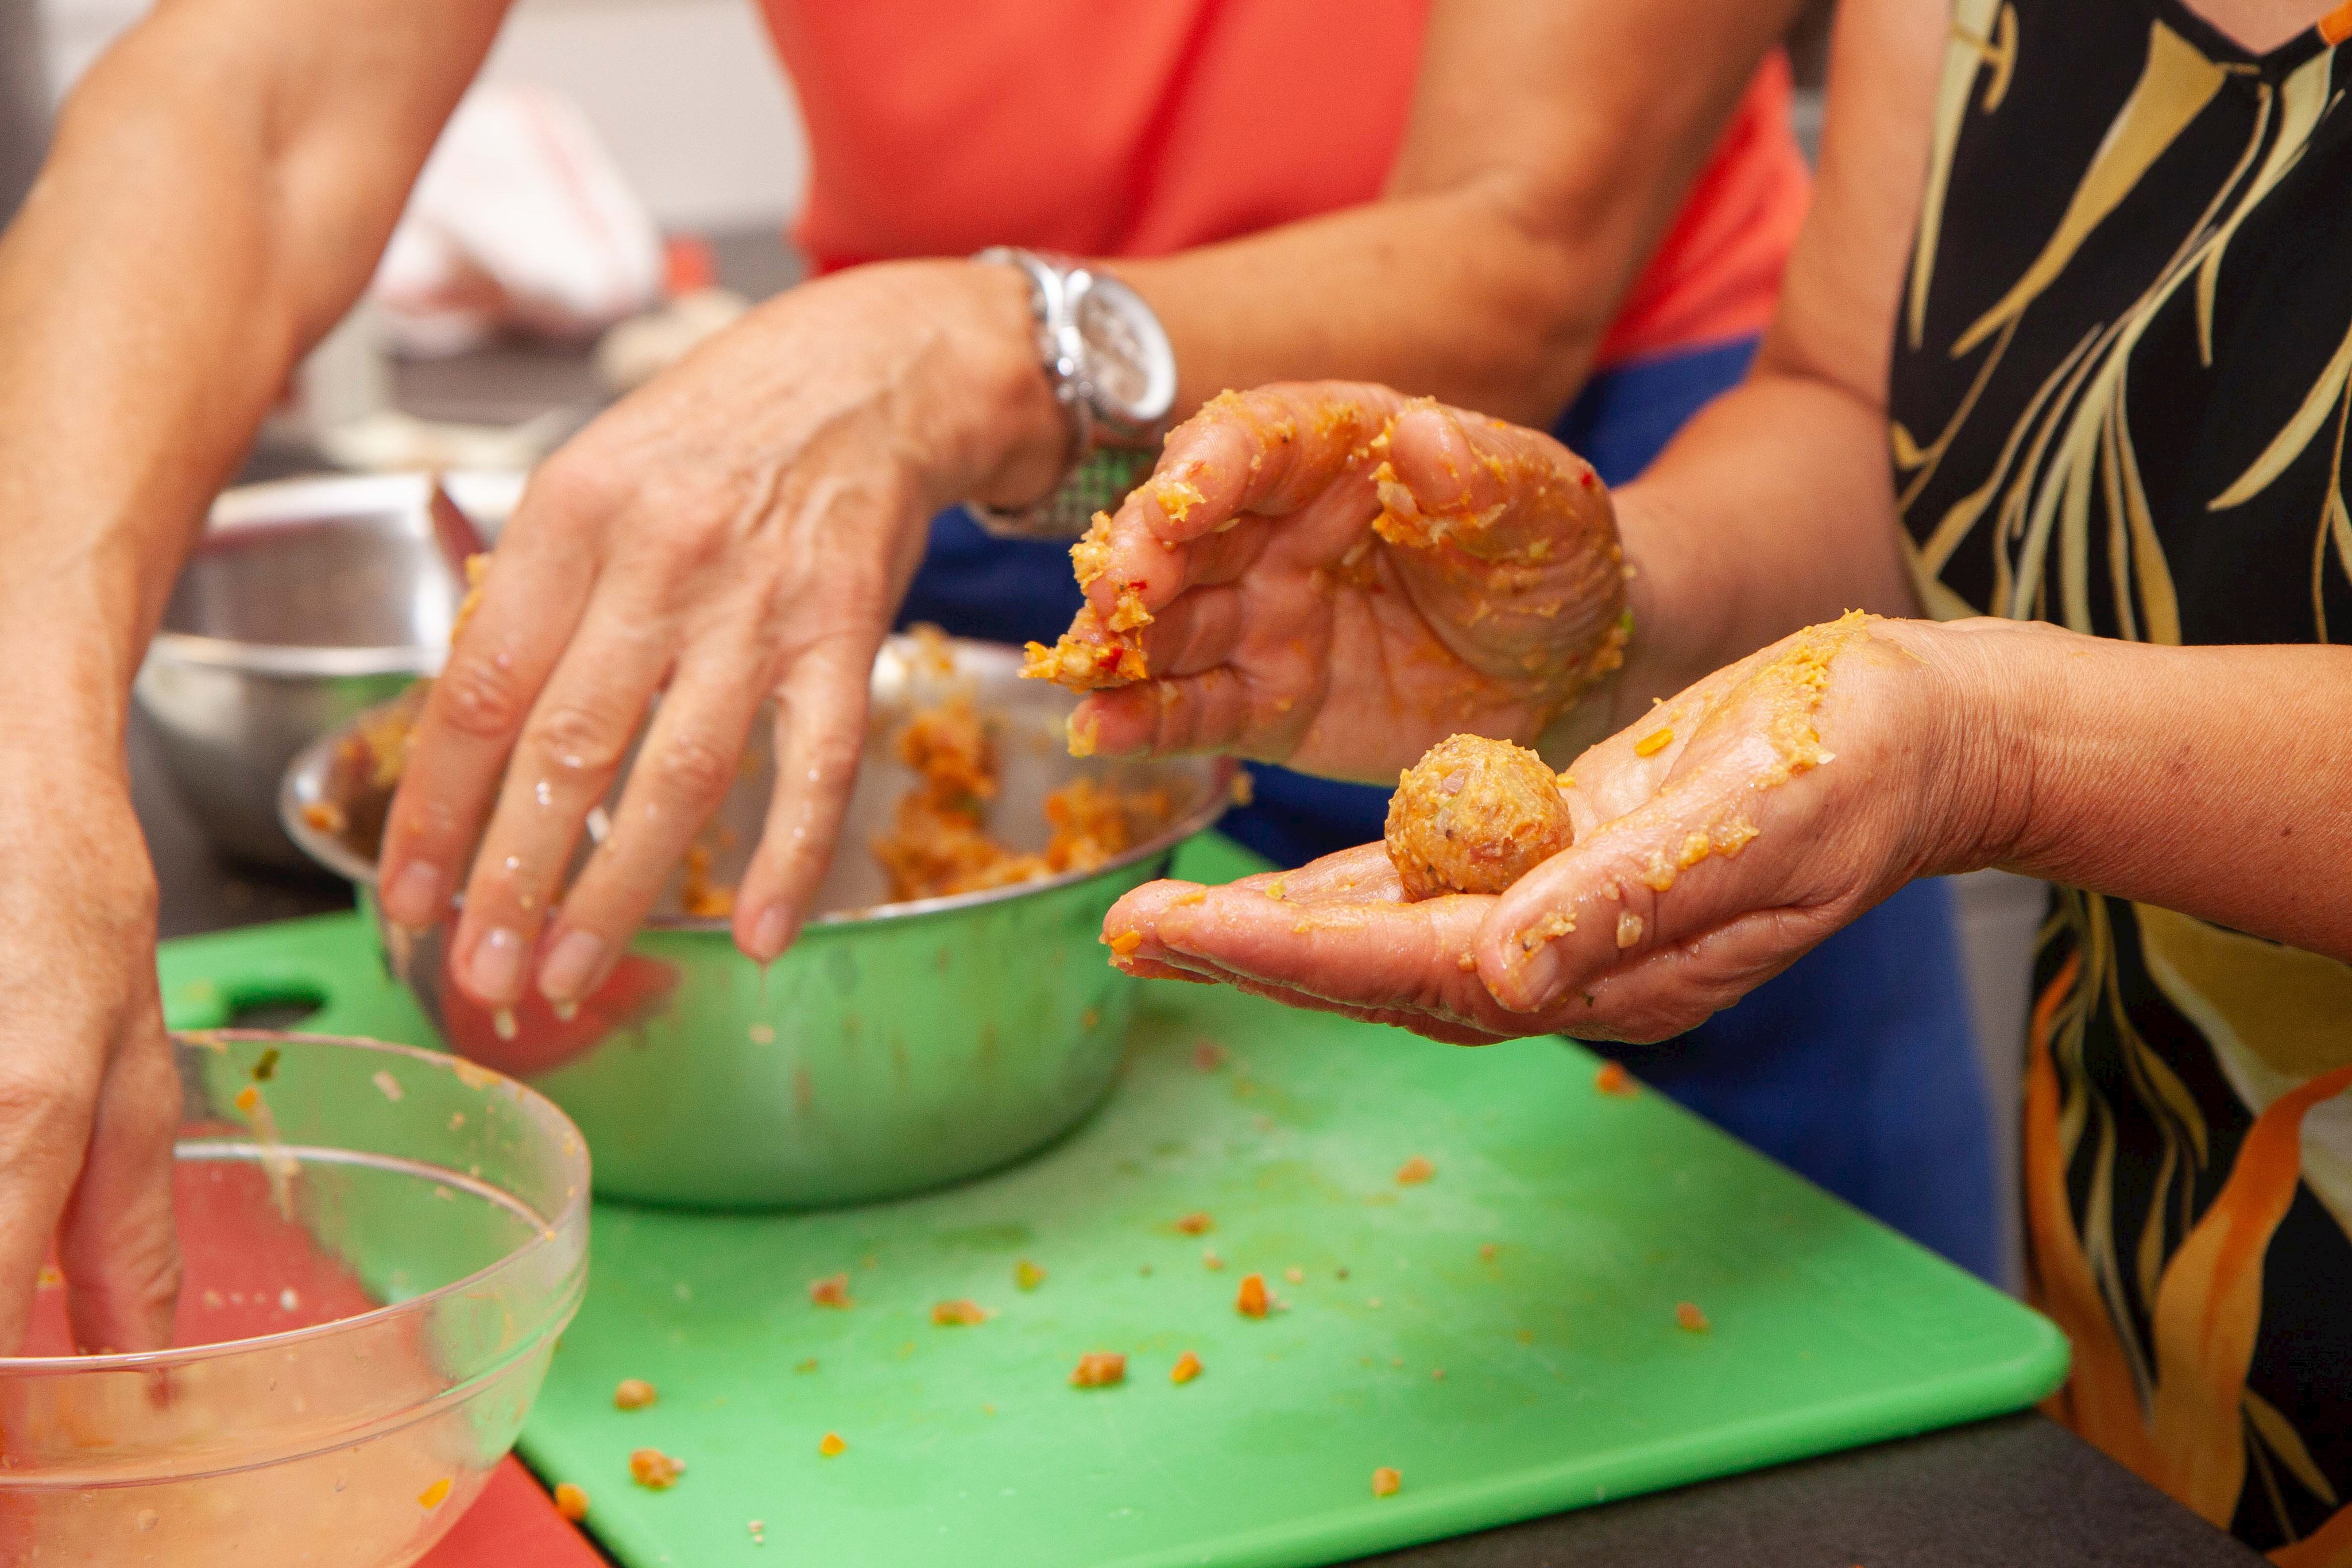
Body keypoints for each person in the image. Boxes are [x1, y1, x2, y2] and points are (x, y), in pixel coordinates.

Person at [0, 0, 1979, 1364]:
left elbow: (1523, 242)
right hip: (953, 482)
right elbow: (247, 110)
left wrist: (974, 356)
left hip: (1576, 527)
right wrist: (23, 740)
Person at [1080, 0, 2352, 1554]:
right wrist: (1614, 615)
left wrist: (2002, 743)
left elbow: (1990, 712)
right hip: (2166, 1293)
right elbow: (1864, 419)